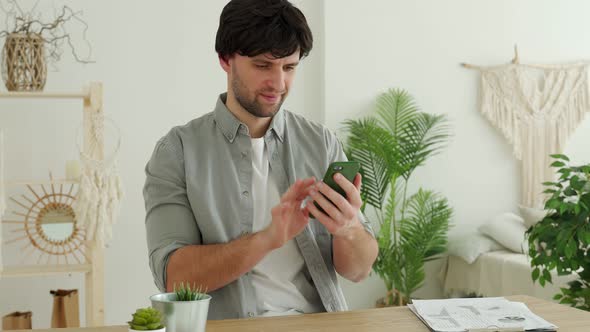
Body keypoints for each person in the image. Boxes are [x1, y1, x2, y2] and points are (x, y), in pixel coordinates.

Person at [144, 0, 378, 320]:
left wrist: (349, 228)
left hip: (318, 324)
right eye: (263, 65)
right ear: (226, 60)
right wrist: (268, 238)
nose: (279, 84)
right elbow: (173, 277)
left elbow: (358, 271)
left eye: (289, 67)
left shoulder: (321, 143)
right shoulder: (177, 151)